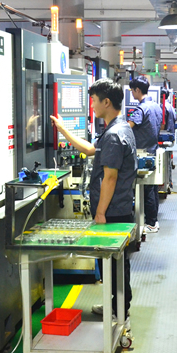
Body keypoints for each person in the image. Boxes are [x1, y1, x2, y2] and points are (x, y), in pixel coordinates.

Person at [50, 78, 137, 320]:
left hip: (112, 211)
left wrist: (100, 212)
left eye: (94, 100)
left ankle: (119, 311)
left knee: (115, 264)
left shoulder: (113, 135)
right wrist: (63, 130)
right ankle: (117, 307)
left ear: (106, 102)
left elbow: (110, 177)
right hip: (119, 207)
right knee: (117, 263)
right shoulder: (119, 128)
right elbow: (90, 150)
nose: (92, 105)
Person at [128, 76, 162, 234]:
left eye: (132, 90)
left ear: (137, 90)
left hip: (142, 154)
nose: (132, 93)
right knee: (152, 187)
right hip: (153, 151)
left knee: (147, 188)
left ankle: (150, 223)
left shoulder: (141, 109)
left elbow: (127, 128)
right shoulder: (156, 106)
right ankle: (154, 220)